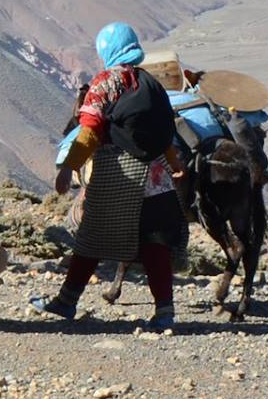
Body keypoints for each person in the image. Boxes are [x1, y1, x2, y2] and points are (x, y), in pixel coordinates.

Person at [31, 22, 187, 332]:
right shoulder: (150, 82)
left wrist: (67, 167)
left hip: (118, 174)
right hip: (156, 176)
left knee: (91, 237)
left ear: (107, 50)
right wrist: (174, 166)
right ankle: (165, 312)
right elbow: (166, 131)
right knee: (155, 242)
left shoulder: (104, 83)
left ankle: (67, 301)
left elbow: (89, 131)